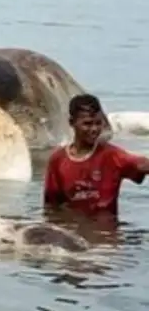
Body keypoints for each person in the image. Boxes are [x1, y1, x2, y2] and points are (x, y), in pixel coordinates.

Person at [43, 94, 149, 223]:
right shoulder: (58, 160)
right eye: (87, 124)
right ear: (72, 123)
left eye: (98, 123)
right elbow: (51, 206)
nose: (94, 129)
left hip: (105, 236)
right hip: (72, 232)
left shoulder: (112, 155)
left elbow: (141, 164)